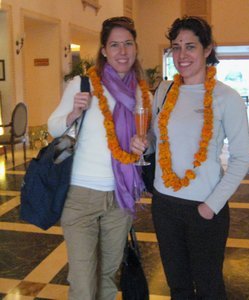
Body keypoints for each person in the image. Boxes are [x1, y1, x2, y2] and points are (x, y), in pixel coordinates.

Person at [131, 16, 249, 299]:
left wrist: (211, 206)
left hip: (205, 207)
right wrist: (144, 143)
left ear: (207, 49)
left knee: (209, 288)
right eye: (176, 47)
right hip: (165, 205)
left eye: (190, 47)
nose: (181, 56)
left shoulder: (226, 98)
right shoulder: (165, 90)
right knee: (178, 287)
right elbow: (156, 141)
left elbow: (242, 157)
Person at [48, 16, 151, 300]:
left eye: (128, 44)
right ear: (104, 50)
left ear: (135, 47)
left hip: (120, 199)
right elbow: (53, 126)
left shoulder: (141, 92)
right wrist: (72, 115)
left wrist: (143, 143)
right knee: (82, 283)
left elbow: (149, 139)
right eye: (114, 45)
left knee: (106, 278)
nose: (122, 51)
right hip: (81, 197)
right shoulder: (83, 84)